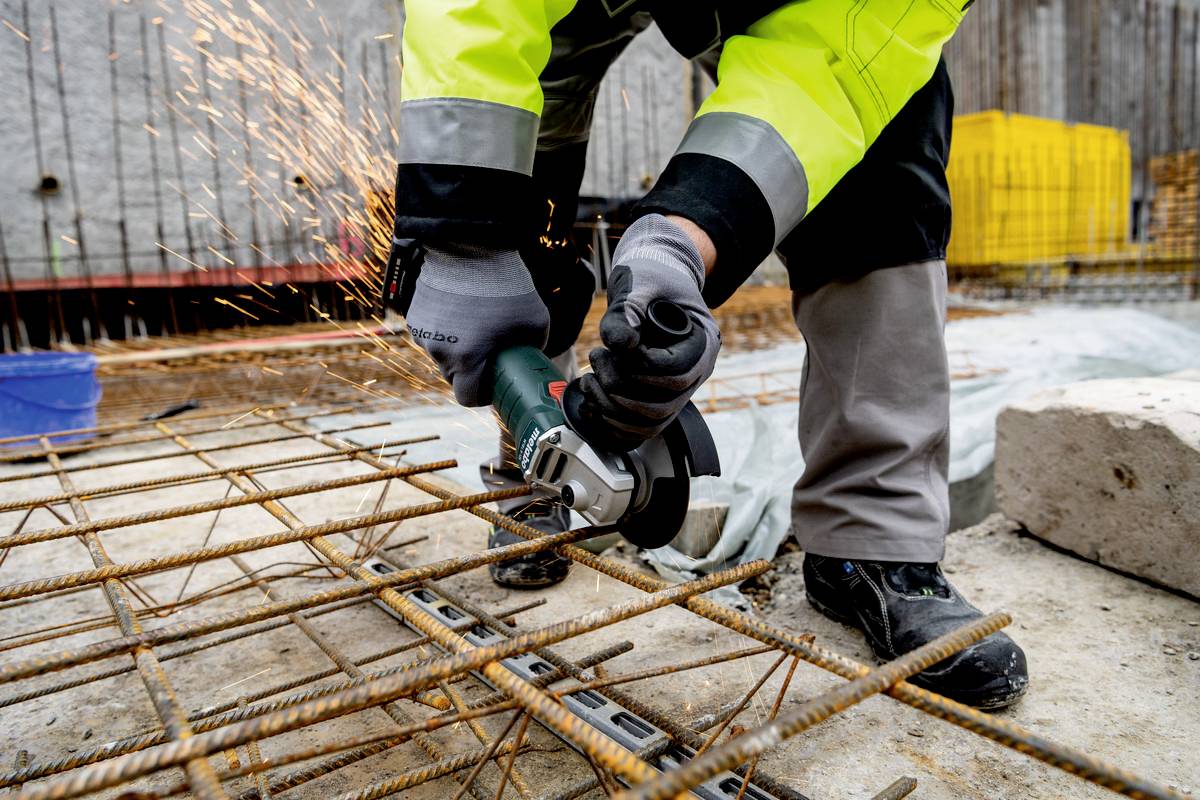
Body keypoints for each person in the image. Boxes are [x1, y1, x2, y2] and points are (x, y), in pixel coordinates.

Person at [387, 0, 1029, 710]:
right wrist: (462, 233)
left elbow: (842, 61)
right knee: (517, 158)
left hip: (817, 14)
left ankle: (871, 533)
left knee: (884, 136)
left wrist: (685, 241)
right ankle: (533, 469)